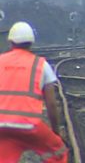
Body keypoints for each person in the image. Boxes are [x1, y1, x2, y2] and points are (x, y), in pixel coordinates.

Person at [0, 21, 68, 162]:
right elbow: (51, 104)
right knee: (59, 152)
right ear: (31, 44)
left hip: (2, 126)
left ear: (10, 42)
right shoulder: (41, 65)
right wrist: (55, 132)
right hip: (29, 125)